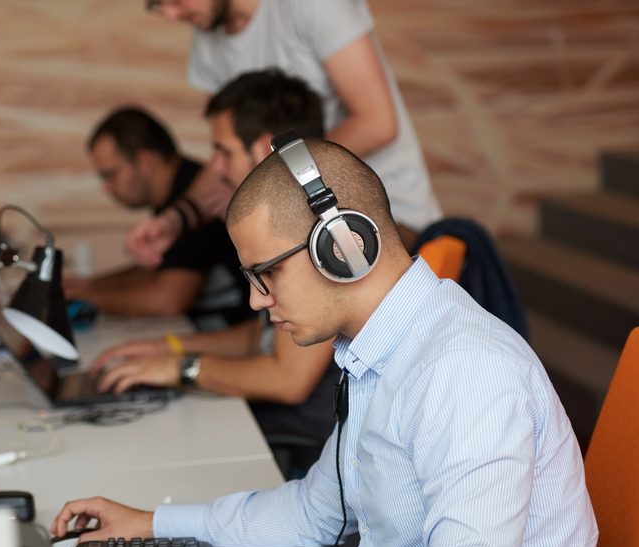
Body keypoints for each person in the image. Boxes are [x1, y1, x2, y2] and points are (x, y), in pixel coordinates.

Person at [52, 139, 611, 547]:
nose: (254, 299)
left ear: (343, 246)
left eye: (266, 273)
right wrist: (155, 523)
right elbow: (315, 510)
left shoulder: (464, 370)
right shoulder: (376, 352)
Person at [93, 70, 340, 476]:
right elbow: (261, 335)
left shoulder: (317, 233)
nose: (216, 168)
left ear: (264, 148)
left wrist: (182, 368)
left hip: (316, 442)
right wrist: (169, 347)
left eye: (223, 152)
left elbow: (286, 379)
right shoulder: (285, 217)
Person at [128, 0, 442, 264]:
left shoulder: (311, 5)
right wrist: (177, 218)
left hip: (392, 223)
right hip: (307, 229)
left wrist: (271, 175)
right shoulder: (207, 40)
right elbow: (231, 151)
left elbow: (377, 123)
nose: (170, 14)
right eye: (158, 5)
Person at [69, 107, 253, 331]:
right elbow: (160, 267)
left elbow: (169, 299)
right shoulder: (178, 193)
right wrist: (89, 285)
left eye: (110, 175)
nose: (106, 188)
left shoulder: (192, 193)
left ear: (145, 161)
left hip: (240, 335)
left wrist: (82, 298)